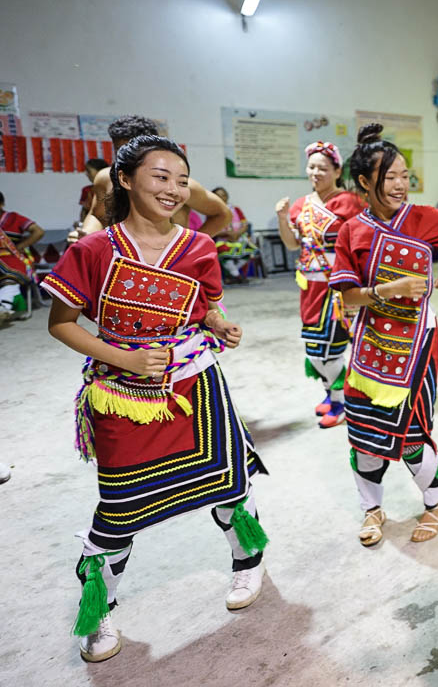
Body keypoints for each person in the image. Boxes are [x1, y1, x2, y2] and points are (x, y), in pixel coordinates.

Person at [42, 135, 267, 663]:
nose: (174, 189)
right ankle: (97, 611)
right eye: (160, 177)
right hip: (123, 395)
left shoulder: (199, 247)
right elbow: (60, 324)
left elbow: (204, 306)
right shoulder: (93, 249)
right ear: (124, 179)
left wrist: (219, 323)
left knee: (228, 483)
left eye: (182, 180)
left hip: (197, 383)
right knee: (118, 510)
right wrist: (127, 360)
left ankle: (248, 561)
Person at [331, 124, 438, 546]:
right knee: (363, 434)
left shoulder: (423, 218)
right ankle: (372, 509)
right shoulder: (350, 231)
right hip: (369, 344)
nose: (400, 185)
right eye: (389, 177)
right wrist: (385, 291)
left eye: (404, 175)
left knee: (411, 433)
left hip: (416, 344)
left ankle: (435, 504)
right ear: (364, 182)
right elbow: (348, 297)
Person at [275, 142, 365, 429]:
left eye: (323, 168)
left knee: (328, 350)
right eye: (312, 167)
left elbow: (364, 245)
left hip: (338, 287)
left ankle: (343, 402)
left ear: (337, 170)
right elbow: (292, 244)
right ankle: (332, 393)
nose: (316, 172)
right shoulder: (301, 205)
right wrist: (281, 217)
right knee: (314, 350)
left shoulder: (350, 202)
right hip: (309, 286)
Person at [73, 115, 231, 240]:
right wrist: (86, 234)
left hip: (169, 268)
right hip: (126, 265)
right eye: (120, 151)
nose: (126, 158)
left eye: (133, 152)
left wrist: (190, 249)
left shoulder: (181, 186)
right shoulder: (106, 178)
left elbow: (222, 215)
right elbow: (97, 215)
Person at [0, 192, 44, 321]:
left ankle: (4, 307)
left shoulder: (13, 218)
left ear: (1, 204)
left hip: (12, 258)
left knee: (10, 277)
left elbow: (38, 231)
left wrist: (20, 246)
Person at [211, 186, 259, 283]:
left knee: (251, 251)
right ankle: (237, 275)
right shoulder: (212, 211)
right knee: (223, 253)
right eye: (218, 196)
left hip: (239, 238)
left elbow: (245, 224)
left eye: (223, 195)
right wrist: (227, 234)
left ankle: (233, 273)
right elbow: (211, 230)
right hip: (223, 240)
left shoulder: (236, 209)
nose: (222, 198)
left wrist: (237, 234)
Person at [80, 158, 109, 224]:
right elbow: (84, 211)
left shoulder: (114, 189)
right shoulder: (87, 190)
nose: (86, 174)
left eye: (88, 171)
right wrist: (82, 224)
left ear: (100, 171)